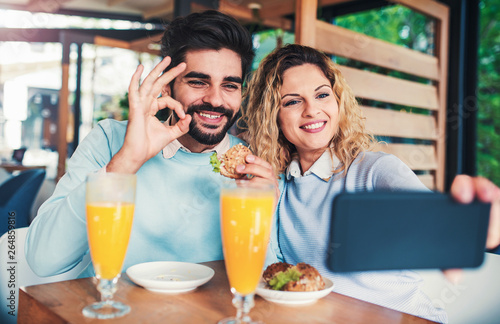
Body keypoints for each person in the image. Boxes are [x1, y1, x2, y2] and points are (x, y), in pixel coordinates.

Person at [241, 44, 500, 323]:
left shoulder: (375, 170)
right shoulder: (279, 185)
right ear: (273, 117)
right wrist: (260, 205)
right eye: (292, 101)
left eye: (322, 95)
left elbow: (439, 222)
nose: (312, 110)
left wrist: (474, 225)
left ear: (338, 101)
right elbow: (269, 276)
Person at [25, 10, 277, 278]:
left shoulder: (252, 166)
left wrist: (264, 214)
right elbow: (43, 260)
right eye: (198, 82)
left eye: (229, 86)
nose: (216, 100)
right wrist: (127, 161)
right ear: (167, 86)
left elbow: (261, 279)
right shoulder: (110, 140)